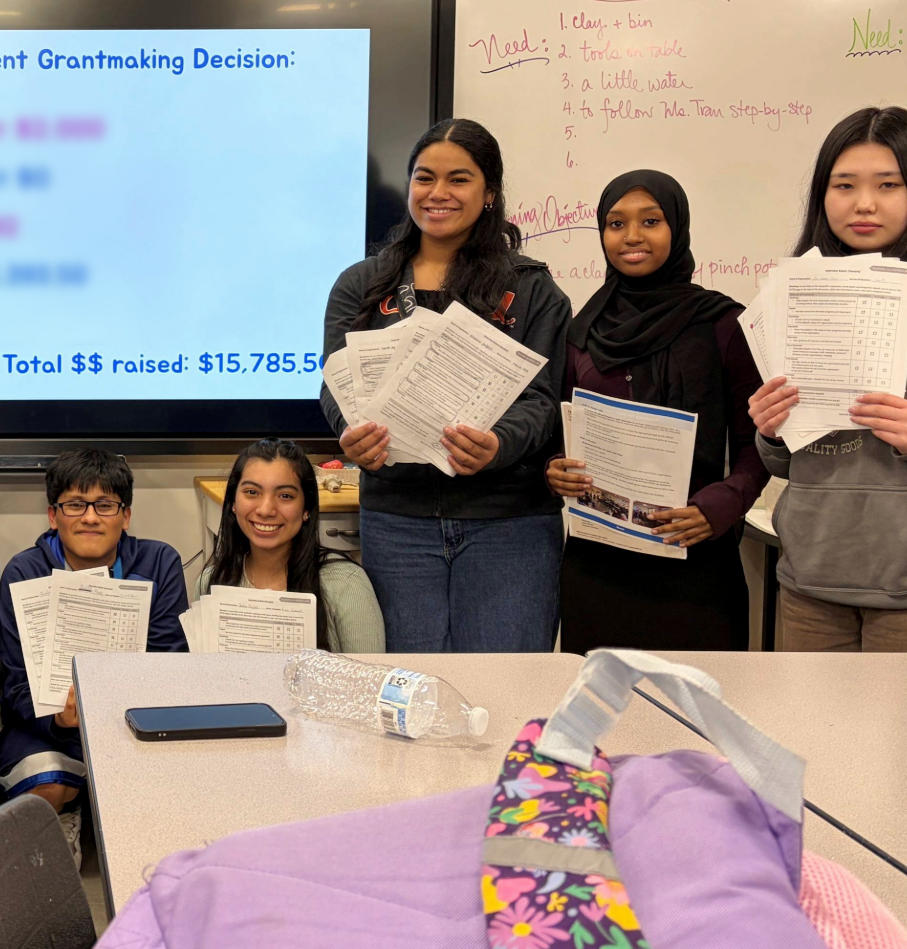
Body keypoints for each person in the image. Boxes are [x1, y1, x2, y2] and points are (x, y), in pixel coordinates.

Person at [320, 118, 571, 653]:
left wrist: (499, 444)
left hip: (510, 525)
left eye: (458, 179)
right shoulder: (362, 285)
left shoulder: (530, 289)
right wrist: (351, 433)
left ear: (489, 194)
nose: (437, 193)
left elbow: (543, 401)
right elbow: (336, 383)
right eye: (423, 177)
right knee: (408, 700)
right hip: (397, 521)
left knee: (508, 694)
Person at [546, 171, 766, 652]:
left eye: (651, 220)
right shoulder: (583, 329)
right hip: (597, 564)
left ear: (678, 227)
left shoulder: (724, 325)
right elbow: (562, 434)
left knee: (694, 718)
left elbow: (760, 447)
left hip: (695, 560)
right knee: (599, 720)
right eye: (615, 223)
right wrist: (555, 471)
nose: (632, 237)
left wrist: (721, 505)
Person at [750, 107, 907, 651]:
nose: (864, 203)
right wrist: (770, 431)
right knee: (812, 734)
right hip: (811, 579)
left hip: (902, 591)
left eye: (888, 184)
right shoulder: (794, 298)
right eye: (845, 185)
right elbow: (789, 460)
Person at [0, 449, 188, 861]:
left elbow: (170, 657)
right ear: (53, 514)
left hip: (133, 718)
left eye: (106, 505)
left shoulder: (159, 561)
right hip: (45, 726)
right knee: (48, 783)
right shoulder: (24, 572)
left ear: (126, 516)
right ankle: (62, 811)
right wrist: (60, 718)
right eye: (75, 505)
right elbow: (14, 682)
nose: (90, 517)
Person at [197, 438, 385, 653]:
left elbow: (369, 680)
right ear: (232, 503)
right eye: (252, 492)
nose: (266, 510)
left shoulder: (346, 584)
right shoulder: (212, 580)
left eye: (285, 496)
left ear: (306, 509)